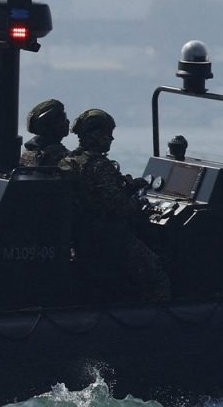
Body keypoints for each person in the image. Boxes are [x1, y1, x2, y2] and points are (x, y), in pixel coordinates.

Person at [58, 109, 170, 301]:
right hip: (109, 237)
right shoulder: (100, 166)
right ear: (95, 135)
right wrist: (138, 202)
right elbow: (121, 207)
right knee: (156, 274)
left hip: (82, 237)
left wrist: (129, 187)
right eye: (107, 134)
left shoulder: (68, 161)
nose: (111, 138)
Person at [20, 99, 71, 168]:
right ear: (47, 125)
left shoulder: (29, 152)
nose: (67, 122)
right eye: (62, 118)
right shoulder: (58, 156)